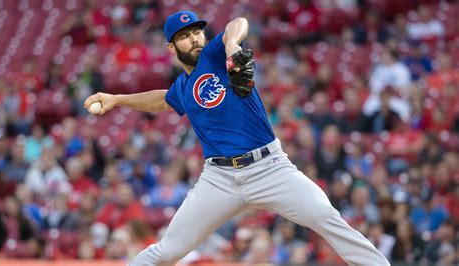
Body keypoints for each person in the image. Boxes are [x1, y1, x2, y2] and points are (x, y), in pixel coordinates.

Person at [84, 11, 389, 265]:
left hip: (269, 168)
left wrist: (231, 42)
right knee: (168, 251)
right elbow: (162, 100)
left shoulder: (216, 55)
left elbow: (238, 22)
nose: (194, 38)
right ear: (171, 48)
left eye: (197, 32)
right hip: (219, 179)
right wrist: (117, 99)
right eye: (184, 35)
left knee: (325, 216)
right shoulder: (183, 87)